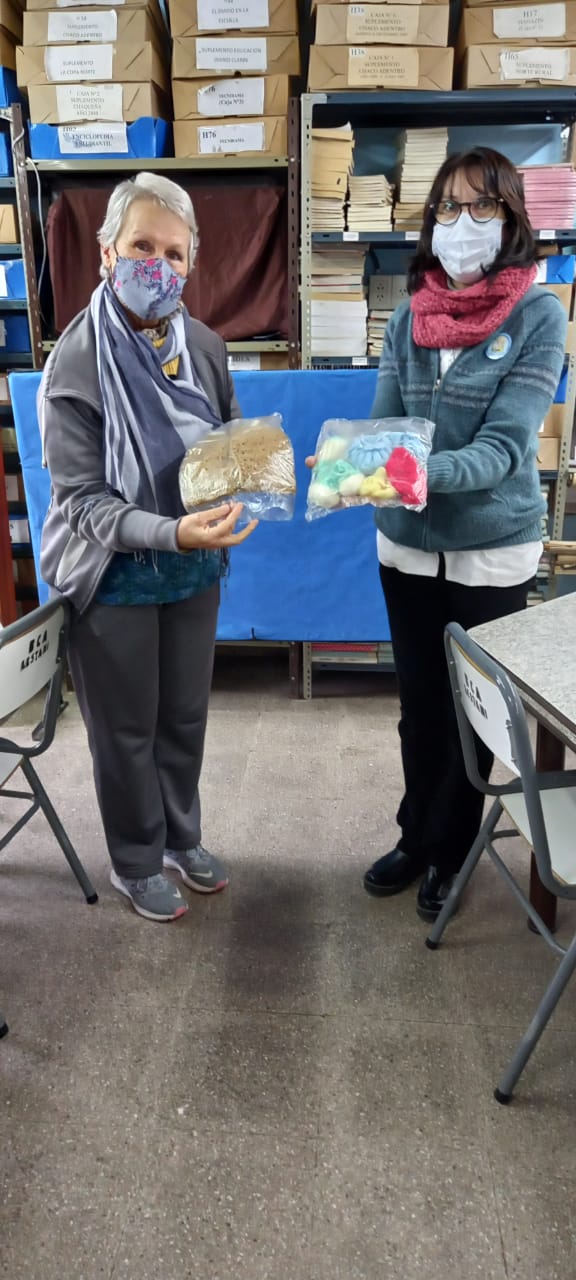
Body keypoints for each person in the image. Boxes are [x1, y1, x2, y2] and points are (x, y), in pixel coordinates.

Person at [39, 173, 257, 923]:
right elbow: (83, 503)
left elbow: (228, 443)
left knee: (184, 717)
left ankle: (180, 838)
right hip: (114, 572)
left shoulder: (204, 347)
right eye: (141, 247)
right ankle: (136, 857)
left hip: (192, 567)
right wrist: (171, 531)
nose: (157, 266)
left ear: (191, 264)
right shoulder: (75, 362)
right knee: (126, 730)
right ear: (107, 252)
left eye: (174, 253)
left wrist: (256, 475)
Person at [361, 147, 567, 921]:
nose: (462, 222)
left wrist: (405, 471)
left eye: (483, 206)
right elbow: (385, 424)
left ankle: (452, 854)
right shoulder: (409, 316)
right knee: (418, 705)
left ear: (512, 220)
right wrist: (355, 461)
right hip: (407, 548)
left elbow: (504, 450)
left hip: (490, 551)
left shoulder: (538, 317)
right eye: (448, 206)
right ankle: (416, 837)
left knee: (470, 715)